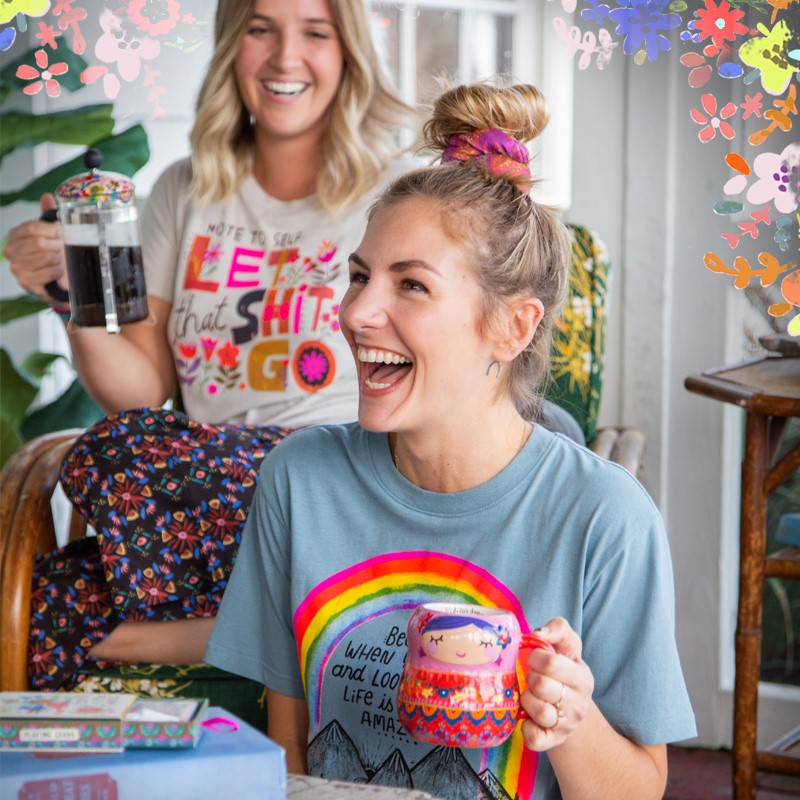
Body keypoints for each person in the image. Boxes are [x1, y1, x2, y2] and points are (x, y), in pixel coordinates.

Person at [204, 81, 697, 800]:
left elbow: (641, 789)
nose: (357, 312)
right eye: (361, 277)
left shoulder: (608, 519)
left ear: (512, 327)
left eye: (411, 286)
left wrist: (570, 718)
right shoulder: (298, 479)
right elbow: (290, 753)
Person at [5, 0, 420, 691]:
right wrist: (74, 290)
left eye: (315, 33)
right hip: (204, 496)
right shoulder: (185, 189)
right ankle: (262, 615)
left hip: (341, 477)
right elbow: (139, 390)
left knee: (151, 460)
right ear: (233, 43)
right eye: (261, 28)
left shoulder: (395, 193)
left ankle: (213, 623)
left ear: (347, 52)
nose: (285, 57)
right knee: (57, 581)